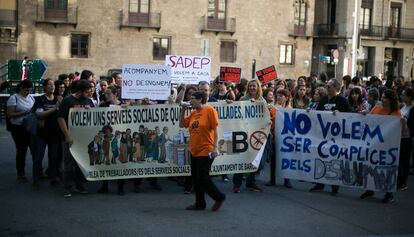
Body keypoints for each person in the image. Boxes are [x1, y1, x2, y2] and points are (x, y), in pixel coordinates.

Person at [179, 91, 226, 211]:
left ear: (200, 99)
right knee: (195, 178)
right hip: (194, 150)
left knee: (203, 177)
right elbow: (182, 124)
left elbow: (215, 130)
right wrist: (183, 110)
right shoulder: (193, 112)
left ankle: (219, 197)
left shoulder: (210, 110)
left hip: (207, 149)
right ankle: (200, 203)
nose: (190, 101)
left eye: (193, 98)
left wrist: (215, 147)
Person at [359, 89, 403, 203]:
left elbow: (402, 132)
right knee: (370, 166)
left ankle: (389, 193)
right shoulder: (376, 108)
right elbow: (369, 121)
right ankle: (369, 189)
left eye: (384, 97)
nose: (382, 99)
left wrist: (403, 124)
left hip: (388, 147)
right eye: (382, 97)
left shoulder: (397, 113)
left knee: (388, 167)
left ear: (391, 100)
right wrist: (365, 115)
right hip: (374, 144)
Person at [309, 78, 351, 196]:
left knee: (334, 160)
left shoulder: (342, 100)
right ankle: (320, 184)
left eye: (329, 86)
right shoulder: (323, 100)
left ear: (336, 88)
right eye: (327, 86)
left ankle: (335, 186)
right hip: (323, 136)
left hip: (336, 136)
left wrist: (340, 114)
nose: (327, 88)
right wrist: (309, 113)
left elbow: (350, 116)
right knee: (321, 159)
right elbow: (317, 114)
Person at [57, 80, 95, 197]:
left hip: (83, 138)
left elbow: (94, 117)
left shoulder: (89, 101)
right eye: (88, 91)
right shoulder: (68, 100)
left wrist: (91, 111)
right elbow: (61, 118)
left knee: (81, 162)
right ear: (81, 91)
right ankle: (67, 187)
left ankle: (79, 185)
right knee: (68, 163)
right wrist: (67, 135)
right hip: (71, 138)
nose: (90, 94)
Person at [232, 79, 264, 193]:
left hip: (256, 134)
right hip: (244, 133)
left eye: (254, 86)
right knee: (241, 158)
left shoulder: (262, 101)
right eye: (250, 86)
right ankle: (237, 184)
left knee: (255, 159)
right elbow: (236, 112)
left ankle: (251, 182)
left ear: (258, 88)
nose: (251, 88)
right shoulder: (242, 99)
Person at [31, 79, 62, 188]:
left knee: (53, 158)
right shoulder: (40, 99)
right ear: (44, 87)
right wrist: (54, 109)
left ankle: (52, 178)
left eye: (53, 84)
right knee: (38, 157)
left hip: (55, 133)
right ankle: (36, 179)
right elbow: (39, 115)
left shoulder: (59, 99)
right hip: (42, 133)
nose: (52, 86)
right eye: (49, 84)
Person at [6, 80, 35, 181]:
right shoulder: (13, 98)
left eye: (30, 90)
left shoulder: (31, 98)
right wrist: (24, 112)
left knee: (35, 149)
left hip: (30, 127)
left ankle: (38, 170)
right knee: (22, 150)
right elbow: (10, 114)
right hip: (18, 127)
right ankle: (21, 173)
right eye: (26, 90)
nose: (28, 92)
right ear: (21, 88)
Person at [265, 88, 292, 187]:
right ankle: (272, 179)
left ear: (287, 98)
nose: (279, 97)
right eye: (278, 96)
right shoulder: (273, 108)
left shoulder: (290, 109)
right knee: (274, 159)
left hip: (286, 138)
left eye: (281, 96)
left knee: (286, 158)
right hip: (275, 137)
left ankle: (287, 180)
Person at [397, 88, 414, 191]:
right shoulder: (403, 106)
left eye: (403, 95)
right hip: (400, 136)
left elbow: (412, 126)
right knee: (399, 160)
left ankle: (403, 182)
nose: (401, 96)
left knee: (405, 160)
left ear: (409, 97)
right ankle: (399, 180)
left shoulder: (412, 109)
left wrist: (405, 123)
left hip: (407, 138)